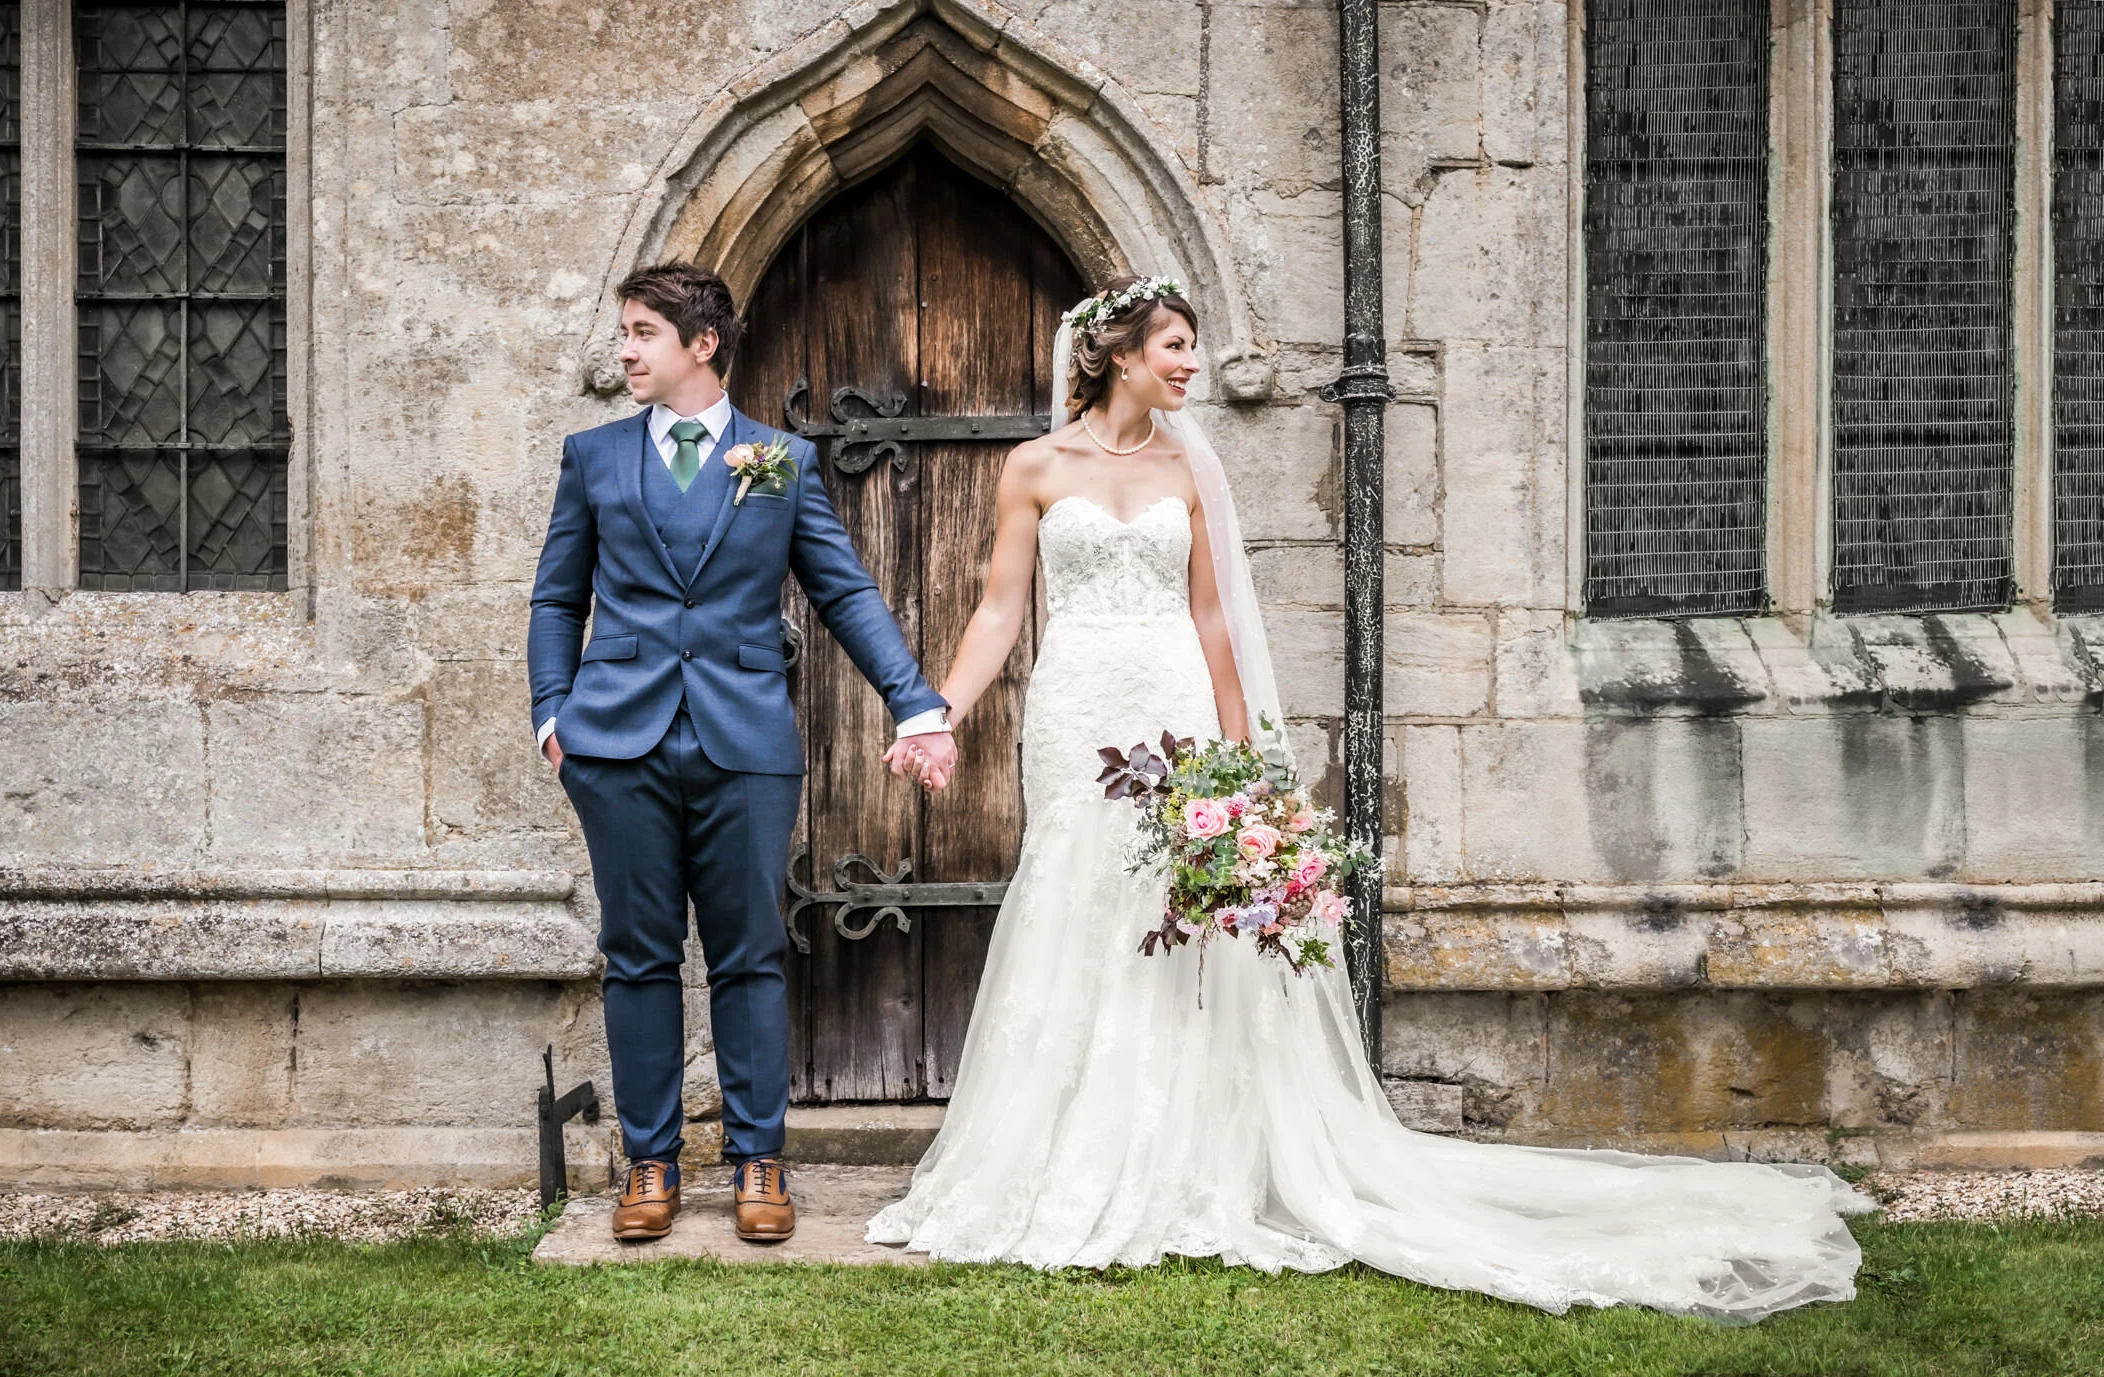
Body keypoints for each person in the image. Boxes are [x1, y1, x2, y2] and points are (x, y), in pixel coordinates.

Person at [869, 275, 1873, 1320]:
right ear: (1119, 353)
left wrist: (1246, 763)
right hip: (1077, 718)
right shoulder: (1034, 466)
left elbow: (1211, 624)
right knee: (1073, 906)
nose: (1189, 365)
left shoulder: (1187, 469)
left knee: (1182, 927)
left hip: (1173, 711)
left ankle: (1180, 1154)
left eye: (1192, 347)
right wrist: (934, 713)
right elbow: (997, 611)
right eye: (1174, 345)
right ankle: (1059, 1156)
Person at [528, 261, 958, 1244]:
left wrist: (915, 706)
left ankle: (758, 1163)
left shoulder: (780, 462)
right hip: (615, 742)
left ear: (701, 345)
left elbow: (843, 592)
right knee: (636, 958)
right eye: (624, 332)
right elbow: (557, 598)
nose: (625, 350)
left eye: (642, 332)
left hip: (746, 744)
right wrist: (552, 715)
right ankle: (650, 1165)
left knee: (750, 956)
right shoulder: (592, 458)